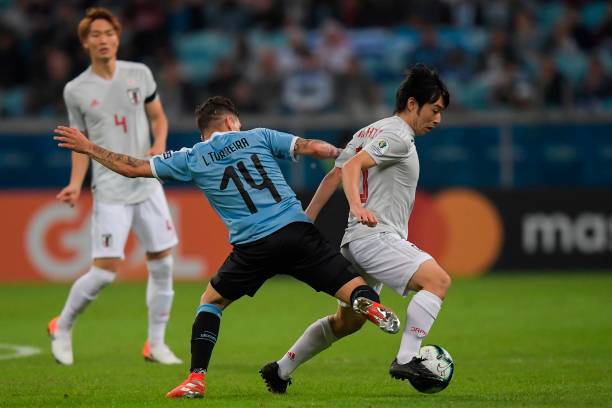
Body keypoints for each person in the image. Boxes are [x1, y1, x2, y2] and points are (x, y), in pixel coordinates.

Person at [53, 96, 401, 399]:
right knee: (353, 288)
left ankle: (195, 379)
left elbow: (133, 168)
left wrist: (89, 147)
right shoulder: (258, 135)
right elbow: (313, 147)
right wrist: (342, 154)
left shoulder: (192, 156)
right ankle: (367, 303)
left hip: (253, 246)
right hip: (296, 231)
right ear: (232, 122)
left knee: (212, 302)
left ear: (204, 130)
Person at [263, 64, 453, 391]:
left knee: (346, 322)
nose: (438, 119)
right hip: (376, 237)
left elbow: (334, 175)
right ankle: (408, 357)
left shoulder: (368, 132)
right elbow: (351, 168)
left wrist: (307, 218)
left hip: (356, 241)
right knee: (437, 281)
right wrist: (356, 205)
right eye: (434, 110)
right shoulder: (398, 137)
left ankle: (279, 370)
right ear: (412, 104)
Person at [47, 7, 182, 366]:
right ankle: (63, 325)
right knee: (105, 271)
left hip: (146, 182)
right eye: (95, 35)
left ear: (117, 37)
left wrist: (159, 144)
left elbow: (158, 116)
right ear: (85, 42)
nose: (103, 39)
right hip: (109, 188)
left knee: (163, 263)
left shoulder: (139, 73)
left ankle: (155, 343)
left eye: (109, 33)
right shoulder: (76, 90)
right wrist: (76, 184)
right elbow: (80, 143)